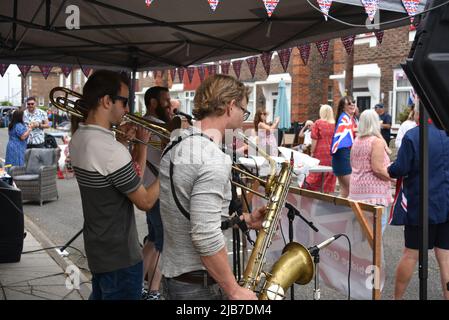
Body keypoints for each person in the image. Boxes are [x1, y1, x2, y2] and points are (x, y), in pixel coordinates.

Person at [159, 74, 266, 300]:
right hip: (198, 288)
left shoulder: (176, 143)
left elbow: (191, 213)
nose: (242, 120)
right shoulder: (212, 158)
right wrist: (234, 290)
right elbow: (205, 236)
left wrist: (243, 220)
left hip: (173, 279)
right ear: (230, 106)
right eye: (243, 112)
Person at [69, 70, 160, 300]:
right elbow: (146, 201)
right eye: (124, 102)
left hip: (99, 251)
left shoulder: (79, 138)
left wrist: (129, 144)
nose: (127, 110)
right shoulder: (110, 150)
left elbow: (126, 181)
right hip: (121, 258)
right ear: (106, 101)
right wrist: (171, 166)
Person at [388, 105, 449, 300]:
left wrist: (389, 169)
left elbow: (400, 167)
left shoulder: (414, 135)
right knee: (446, 259)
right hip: (446, 204)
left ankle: (397, 298)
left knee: (411, 255)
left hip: (420, 205)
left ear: (419, 113)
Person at [141, 86, 172, 300]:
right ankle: (153, 292)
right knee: (163, 243)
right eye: (166, 101)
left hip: (146, 188)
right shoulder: (162, 127)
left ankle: (137, 286)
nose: (170, 105)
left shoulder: (142, 123)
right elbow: (173, 156)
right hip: (158, 192)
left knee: (152, 240)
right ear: (153, 103)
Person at [348, 109, 393, 233]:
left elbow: (353, 163)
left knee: (360, 235)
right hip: (374, 194)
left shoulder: (357, 141)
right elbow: (377, 169)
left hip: (357, 191)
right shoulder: (376, 142)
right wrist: (393, 178)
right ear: (375, 122)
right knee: (375, 237)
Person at [304, 105, 336, 193]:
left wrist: (312, 152)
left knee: (317, 172)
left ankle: (315, 194)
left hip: (320, 151)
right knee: (329, 173)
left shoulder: (318, 123)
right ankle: (326, 193)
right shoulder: (336, 124)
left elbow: (314, 139)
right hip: (333, 152)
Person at [331, 96, 358, 198]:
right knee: (351, 191)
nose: (352, 105)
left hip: (342, 156)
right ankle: (350, 213)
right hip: (342, 156)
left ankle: (338, 212)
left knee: (345, 192)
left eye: (353, 102)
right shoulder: (344, 119)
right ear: (343, 107)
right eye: (349, 104)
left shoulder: (349, 119)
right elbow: (349, 130)